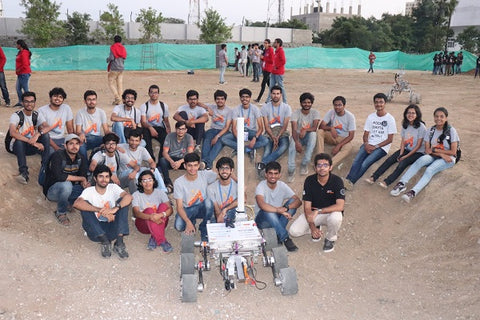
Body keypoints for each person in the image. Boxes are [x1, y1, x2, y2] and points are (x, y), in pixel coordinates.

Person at [390, 107, 460, 203]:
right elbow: (427, 150)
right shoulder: (431, 130)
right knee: (420, 160)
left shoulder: (451, 131)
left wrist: (437, 152)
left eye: (441, 116)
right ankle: (401, 183)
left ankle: (413, 192)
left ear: (446, 118)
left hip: (449, 158)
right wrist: (440, 153)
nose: (438, 118)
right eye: (436, 116)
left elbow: (453, 152)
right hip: (435, 155)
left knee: (430, 169)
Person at [289, 153, 345, 253]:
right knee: (294, 232)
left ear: (330, 167)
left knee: (336, 217)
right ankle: (316, 229)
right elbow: (307, 208)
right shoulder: (309, 181)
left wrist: (319, 211)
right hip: (313, 214)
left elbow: (340, 206)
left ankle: (330, 239)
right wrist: (312, 226)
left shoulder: (337, 181)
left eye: (325, 165)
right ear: (315, 168)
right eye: (319, 165)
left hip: (329, 213)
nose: (322, 168)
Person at [73, 165, 132, 259]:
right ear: (95, 178)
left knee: (123, 202)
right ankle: (105, 242)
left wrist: (114, 209)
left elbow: (128, 197)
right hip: (96, 232)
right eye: (101, 176)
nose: (104, 179)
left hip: (113, 229)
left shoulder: (113, 187)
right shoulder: (89, 191)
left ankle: (119, 243)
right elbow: (77, 204)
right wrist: (100, 210)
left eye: (107, 176)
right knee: (85, 206)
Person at [365, 104, 426, 188]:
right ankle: (374, 177)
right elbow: (403, 141)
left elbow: (418, 146)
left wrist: (405, 157)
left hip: (418, 152)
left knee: (403, 163)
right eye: (408, 113)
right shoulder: (405, 124)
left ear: (417, 115)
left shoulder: (421, 127)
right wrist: (401, 153)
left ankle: (387, 182)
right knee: (390, 159)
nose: (410, 115)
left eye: (413, 113)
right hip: (407, 149)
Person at [344, 93, 396, 190]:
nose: (378, 104)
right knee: (357, 160)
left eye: (381, 102)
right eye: (376, 102)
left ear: (385, 103)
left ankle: (351, 182)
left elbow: (390, 139)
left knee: (365, 163)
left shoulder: (390, 119)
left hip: (381, 148)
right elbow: (365, 134)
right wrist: (366, 144)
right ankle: (347, 180)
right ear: (374, 104)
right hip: (369, 144)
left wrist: (375, 147)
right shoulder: (371, 117)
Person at [255, 161, 302, 252]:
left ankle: (278, 234)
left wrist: (286, 208)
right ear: (266, 174)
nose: (273, 176)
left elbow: (298, 201)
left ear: (279, 175)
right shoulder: (261, 186)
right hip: (262, 220)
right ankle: (285, 238)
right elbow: (262, 204)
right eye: (270, 173)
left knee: (292, 203)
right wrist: (278, 210)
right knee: (268, 212)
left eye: (276, 174)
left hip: (277, 217)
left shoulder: (282, 185)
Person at [43, 134, 89, 226]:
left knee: (90, 188)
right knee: (66, 185)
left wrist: (86, 184)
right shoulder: (57, 156)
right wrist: (82, 178)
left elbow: (83, 176)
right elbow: (60, 177)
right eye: (71, 144)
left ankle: (68, 202)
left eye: (76, 144)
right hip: (53, 191)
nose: (74, 146)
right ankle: (61, 212)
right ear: (65, 145)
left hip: (70, 189)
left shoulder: (81, 158)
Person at [8, 91, 50, 184]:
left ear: (35, 102)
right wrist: (32, 142)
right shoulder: (16, 115)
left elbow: (47, 127)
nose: (29, 104)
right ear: (22, 103)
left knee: (45, 135)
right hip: (17, 147)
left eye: (31, 101)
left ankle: (45, 167)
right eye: (26, 101)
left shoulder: (36, 114)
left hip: (30, 146)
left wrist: (38, 134)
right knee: (19, 141)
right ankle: (23, 173)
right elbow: (12, 133)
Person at [173, 153, 216, 241]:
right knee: (179, 226)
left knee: (209, 201)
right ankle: (191, 220)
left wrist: (241, 185)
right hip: (188, 209)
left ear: (199, 165)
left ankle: (204, 227)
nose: (193, 169)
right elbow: (180, 207)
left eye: (195, 165)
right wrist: (188, 222)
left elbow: (222, 173)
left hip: (202, 207)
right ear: (185, 166)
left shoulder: (204, 174)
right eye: (190, 166)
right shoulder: (179, 182)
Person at [221, 88, 269, 161]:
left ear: (250, 98)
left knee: (265, 140)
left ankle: (240, 149)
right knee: (224, 139)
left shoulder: (255, 109)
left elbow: (261, 128)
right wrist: (239, 139)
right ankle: (248, 150)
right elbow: (233, 128)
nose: (245, 99)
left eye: (247, 97)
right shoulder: (236, 109)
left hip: (251, 132)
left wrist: (255, 138)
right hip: (239, 132)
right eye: (243, 97)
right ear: (240, 98)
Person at [132, 170, 173, 252]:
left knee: (163, 206)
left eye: (150, 180)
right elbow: (136, 213)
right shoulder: (136, 195)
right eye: (144, 181)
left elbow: (170, 210)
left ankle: (154, 237)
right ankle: (162, 241)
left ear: (154, 181)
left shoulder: (160, 193)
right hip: (143, 225)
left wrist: (161, 215)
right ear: (140, 183)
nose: (147, 183)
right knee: (149, 210)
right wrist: (150, 217)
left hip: (160, 221)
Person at [256, 86, 292, 177]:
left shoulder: (287, 107)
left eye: (277, 93)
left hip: (282, 131)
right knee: (267, 149)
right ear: (270, 94)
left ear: (281, 95)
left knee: (284, 146)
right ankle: (262, 173)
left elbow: (285, 126)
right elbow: (266, 126)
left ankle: (263, 164)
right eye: (273, 93)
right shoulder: (265, 107)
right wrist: (273, 137)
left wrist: (278, 137)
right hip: (269, 132)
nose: (275, 95)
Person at [117, 129, 167, 194]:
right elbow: (106, 145)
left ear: (140, 141)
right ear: (128, 140)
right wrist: (116, 148)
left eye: (136, 141)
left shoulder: (142, 150)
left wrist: (152, 170)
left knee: (155, 170)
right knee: (137, 173)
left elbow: (152, 162)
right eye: (132, 140)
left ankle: (163, 191)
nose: (134, 143)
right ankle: (141, 194)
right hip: (124, 174)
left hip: (137, 171)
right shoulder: (122, 146)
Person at [287, 92, 321, 182]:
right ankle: (291, 170)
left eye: (309, 102)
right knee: (292, 144)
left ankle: (304, 163)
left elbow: (314, 128)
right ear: (301, 103)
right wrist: (297, 142)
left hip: (308, 136)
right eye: (304, 102)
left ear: (312, 103)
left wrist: (305, 130)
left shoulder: (315, 113)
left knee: (313, 134)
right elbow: (293, 130)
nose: (307, 104)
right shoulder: (295, 113)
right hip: (297, 136)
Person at [317, 96, 356, 167]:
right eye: (335, 105)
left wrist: (339, 145)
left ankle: (329, 165)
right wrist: (331, 128)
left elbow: (351, 136)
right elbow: (321, 126)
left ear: (344, 106)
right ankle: (320, 158)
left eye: (339, 105)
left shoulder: (350, 116)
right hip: (331, 136)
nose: (337, 107)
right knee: (320, 132)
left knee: (349, 147)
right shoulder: (331, 112)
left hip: (342, 138)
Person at [158, 121, 195, 193]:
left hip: (183, 160)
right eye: (179, 129)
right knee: (162, 160)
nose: (180, 131)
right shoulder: (169, 136)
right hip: (171, 159)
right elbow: (165, 152)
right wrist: (171, 162)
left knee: (193, 160)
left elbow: (190, 154)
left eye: (183, 129)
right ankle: (168, 183)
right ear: (175, 129)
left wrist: (179, 162)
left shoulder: (189, 137)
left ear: (186, 130)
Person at [200, 90, 232, 170]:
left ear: (225, 100)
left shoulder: (229, 111)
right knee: (207, 138)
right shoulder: (212, 107)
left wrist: (217, 136)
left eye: (222, 99)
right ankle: (204, 163)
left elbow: (227, 127)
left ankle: (206, 162)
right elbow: (199, 103)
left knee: (220, 141)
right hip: (213, 129)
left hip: (224, 131)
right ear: (215, 100)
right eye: (218, 99)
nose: (220, 101)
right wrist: (208, 108)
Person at [76, 90, 110, 161]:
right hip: (85, 138)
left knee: (109, 142)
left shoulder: (101, 112)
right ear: (85, 101)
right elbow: (78, 131)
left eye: (94, 99)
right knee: (80, 145)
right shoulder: (80, 112)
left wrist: (111, 136)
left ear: (96, 101)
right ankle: (85, 168)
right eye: (89, 100)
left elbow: (106, 130)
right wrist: (81, 134)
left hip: (97, 138)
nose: (92, 102)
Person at [140, 84, 171, 161]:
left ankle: (161, 159)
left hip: (160, 128)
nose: (154, 94)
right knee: (146, 139)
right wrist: (150, 128)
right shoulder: (144, 106)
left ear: (158, 94)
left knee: (166, 140)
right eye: (152, 92)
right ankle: (151, 158)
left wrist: (168, 129)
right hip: (147, 127)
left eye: (156, 92)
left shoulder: (163, 105)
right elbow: (143, 122)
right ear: (149, 93)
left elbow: (166, 120)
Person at [38, 87, 74, 153]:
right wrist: (56, 147)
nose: (57, 99)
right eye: (55, 96)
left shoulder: (66, 108)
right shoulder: (41, 110)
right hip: (47, 140)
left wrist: (72, 142)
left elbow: (70, 129)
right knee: (52, 152)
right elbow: (43, 132)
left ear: (63, 99)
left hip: (61, 139)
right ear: (50, 98)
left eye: (60, 97)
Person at [207, 157, 238, 227]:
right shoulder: (211, 188)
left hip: (232, 215)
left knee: (239, 209)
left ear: (231, 170)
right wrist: (220, 219)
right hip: (217, 215)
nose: (224, 171)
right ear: (218, 171)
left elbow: (243, 200)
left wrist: (226, 209)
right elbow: (216, 209)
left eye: (227, 168)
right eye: (221, 168)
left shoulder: (237, 186)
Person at [106, 35, 127, 105]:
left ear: (114, 40)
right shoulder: (123, 48)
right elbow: (124, 57)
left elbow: (111, 58)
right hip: (121, 68)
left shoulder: (113, 47)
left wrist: (107, 59)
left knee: (111, 83)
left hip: (114, 68)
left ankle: (117, 97)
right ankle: (120, 99)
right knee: (119, 84)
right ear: (120, 41)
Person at [254, 39, 274, 103]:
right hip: (264, 68)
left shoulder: (271, 50)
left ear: (269, 44)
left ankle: (258, 98)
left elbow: (271, 60)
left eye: (266, 43)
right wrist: (261, 57)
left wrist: (263, 58)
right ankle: (272, 96)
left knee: (263, 84)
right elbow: (263, 58)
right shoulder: (265, 50)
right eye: (264, 43)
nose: (265, 44)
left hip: (268, 69)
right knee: (269, 84)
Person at [268, 38, 287, 103]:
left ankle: (285, 102)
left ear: (278, 43)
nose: (273, 43)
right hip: (273, 72)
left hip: (279, 73)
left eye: (275, 42)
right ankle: (268, 101)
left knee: (281, 87)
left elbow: (283, 61)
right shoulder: (276, 51)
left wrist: (277, 66)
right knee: (271, 87)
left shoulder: (281, 51)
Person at [14, 40, 31, 107]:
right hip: (21, 73)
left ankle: (27, 102)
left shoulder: (24, 53)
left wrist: (19, 69)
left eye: (17, 44)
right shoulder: (21, 52)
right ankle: (21, 101)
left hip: (24, 73)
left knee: (25, 88)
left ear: (20, 45)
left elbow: (25, 63)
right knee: (18, 88)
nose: (16, 46)